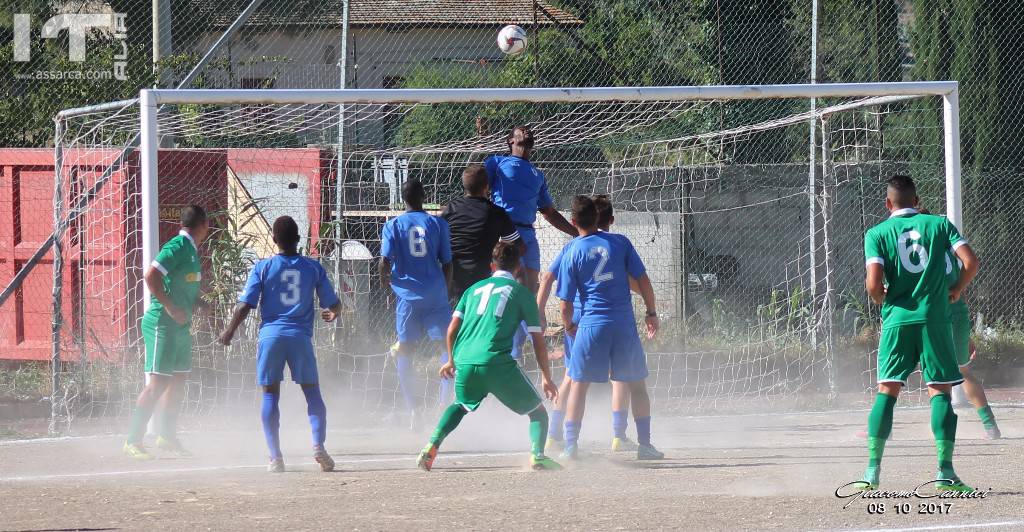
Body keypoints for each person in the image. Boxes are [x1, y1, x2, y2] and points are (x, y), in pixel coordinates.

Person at [856, 175, 980, 492]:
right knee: (939, 391)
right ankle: (945, 472)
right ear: (917, 201)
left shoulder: (876, 233)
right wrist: (955, 290)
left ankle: (871, 472)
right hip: (935, 320)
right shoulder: (938, 224)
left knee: (887, 390)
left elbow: (873, 285)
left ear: (888, 204)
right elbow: (971, 262)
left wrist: (881, 298)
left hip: (897, 320)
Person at [416, 241, 561, 471]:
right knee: (538, 412)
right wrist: (546, 376)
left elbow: (452, 327)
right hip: (496, 362)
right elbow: (538, 340)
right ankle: (538, 456)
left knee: (461, 404)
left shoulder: (473, 290)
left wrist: (451, 360)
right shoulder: (522, 294)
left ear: (492, 266)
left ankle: (430, 446)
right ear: (518, 269)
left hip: (464, 359)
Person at [218, 216, 342, 473]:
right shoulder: (313, 267)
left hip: (270, 337)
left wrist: (229, 331)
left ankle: (275, 458)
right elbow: (334, 303)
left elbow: (245, 306)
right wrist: (334, 313)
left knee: (270, 395)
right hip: (300, 338)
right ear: (298, 240)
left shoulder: (263, 267)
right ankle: (318, 445)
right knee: (313, 394)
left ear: (274, 240)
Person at [556, 196, 664, 460]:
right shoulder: (620, 243)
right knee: (636, 384)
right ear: (597, 217)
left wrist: (568, 325)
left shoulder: (572, 250)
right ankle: (645, 445)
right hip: (623, 325)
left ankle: (571, 446)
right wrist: (651, 313)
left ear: (573, 222)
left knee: (579, 385)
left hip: (591, 324)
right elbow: (643, 280)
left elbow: (565, 302)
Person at [537, 195, 638, 452]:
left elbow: (548, 277)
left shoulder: (574, 247)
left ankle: (555, 434)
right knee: (620, 378)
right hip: (605, 318)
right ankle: (618, 435)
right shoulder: (616, 246)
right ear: (610, 220)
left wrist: (539, 309)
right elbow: (632, 282)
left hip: (579, 319)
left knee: (573, 378)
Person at [123, 205, 209, 460]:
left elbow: (180, 285)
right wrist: (171, 307)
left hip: (180, 327)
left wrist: (199, 303)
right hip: (162, 323)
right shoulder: (177, 246)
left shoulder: (191, 250)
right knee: (158, 383)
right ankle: (132, 440)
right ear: (203, 225)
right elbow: (150, 276)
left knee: (178, 382)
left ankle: (167, 436)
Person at [485, 126, 577, 357]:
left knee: (528, 292)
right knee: (506, 291)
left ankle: (518, 352)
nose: (527, 132)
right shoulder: (496, 163)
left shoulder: (538, 174)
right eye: (521, 131)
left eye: (529, 131)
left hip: (528, 235)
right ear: (510, 140)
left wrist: (576, 232)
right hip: (506, 234)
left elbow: (548, 212)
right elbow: (479, 192)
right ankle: (500, 350)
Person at [919, 207, 1001, 440]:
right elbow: (959, 286)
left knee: (903, 374)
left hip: (930, 316)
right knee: (964, 371)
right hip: (957, 315)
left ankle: (885, 428)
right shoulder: (948, 248)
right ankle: (990, 426)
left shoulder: (917, 251)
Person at [379, 180, 454, 428]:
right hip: (435, 295)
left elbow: (383, 262)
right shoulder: (438, 223)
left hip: (407, 297)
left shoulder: (392, 225)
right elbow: (448, 262)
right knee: (446, 348)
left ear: (403, 199)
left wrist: (387, 289)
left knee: (406, 350)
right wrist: (446, 289)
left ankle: (414, 410)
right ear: (424, 196)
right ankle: (444, 403)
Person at [441, 164, 522, 303]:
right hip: (483, 279)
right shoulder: (496, 212)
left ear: (465, 187)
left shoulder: (450, 209)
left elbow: (439, 238)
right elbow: (518, 246)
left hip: (453, 276)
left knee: (455, 317)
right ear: (487, 186)